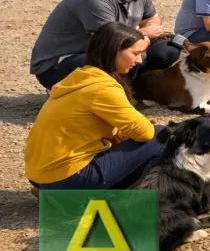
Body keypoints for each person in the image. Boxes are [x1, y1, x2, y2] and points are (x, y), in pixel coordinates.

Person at [25, 22, 164, 190]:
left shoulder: (82, 77)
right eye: (136, 53)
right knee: (160, 135)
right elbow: (145, 132)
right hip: (66, 178)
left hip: (41, 175)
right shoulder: (102, 89)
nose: (139, 60)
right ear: (114, 50)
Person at [30, 0, 178, 89]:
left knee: (166, 50)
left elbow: (154, 21)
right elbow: (111, 43)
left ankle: (134, 89)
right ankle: (71, 90)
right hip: (58, 67)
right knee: (116, 56)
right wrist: (144, 35)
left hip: (113, 49)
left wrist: (142, 37)